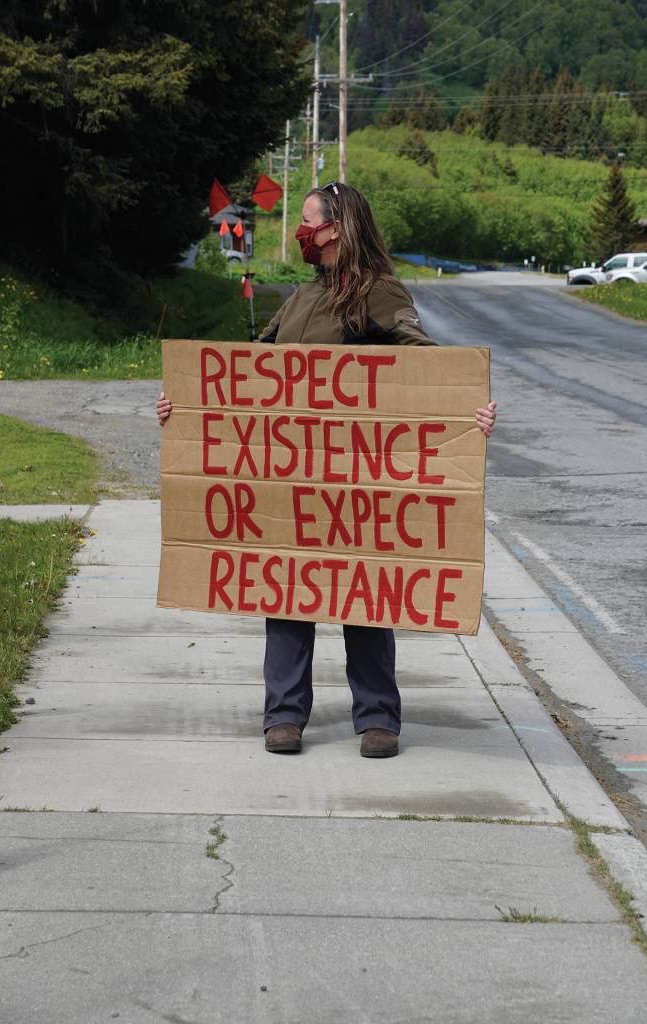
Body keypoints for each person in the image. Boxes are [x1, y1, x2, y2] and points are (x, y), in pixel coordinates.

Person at [156, 181, 497, 759]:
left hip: (358, 481)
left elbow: (428, 364)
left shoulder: (379, 292)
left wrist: (468, 410)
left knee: (364, 595)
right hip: (289, 478)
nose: (302, 233)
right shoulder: (301, 296)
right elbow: (250, 367)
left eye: (309, 222)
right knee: (286, 590)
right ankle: (283, 716)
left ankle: (378, 719)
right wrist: (187, 407)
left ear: (337, 228)